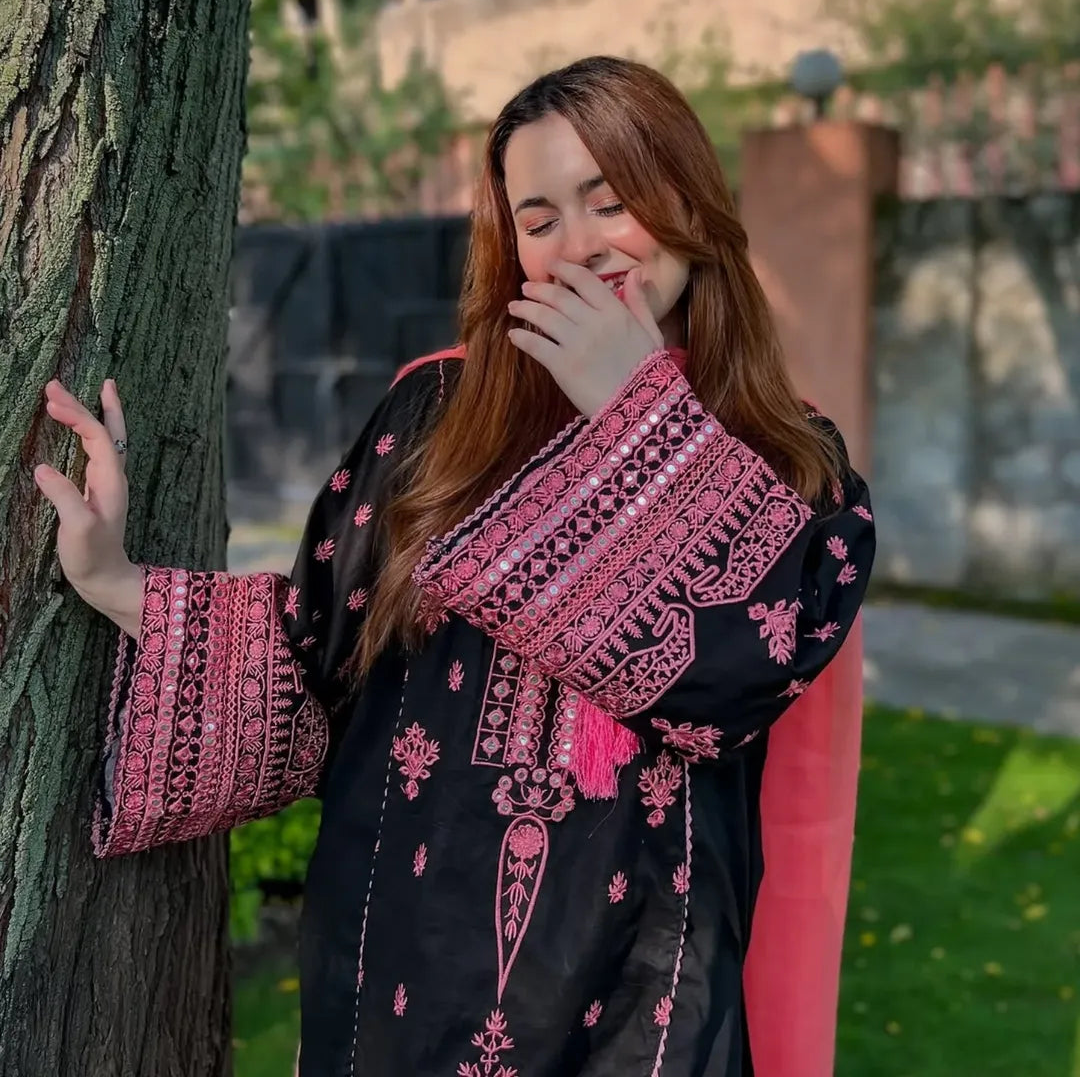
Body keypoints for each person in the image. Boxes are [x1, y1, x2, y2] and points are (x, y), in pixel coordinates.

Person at [36, 56, 874, 1077]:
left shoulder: (789, 457)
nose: (579, 246)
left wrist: (634, 412)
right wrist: (116, 581)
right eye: (539, 219)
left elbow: (742, 672)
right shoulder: (437, 414)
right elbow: (311, 665)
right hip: (404, 977)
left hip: (640, 1003)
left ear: (688, 203)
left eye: (611, 202)